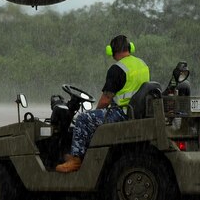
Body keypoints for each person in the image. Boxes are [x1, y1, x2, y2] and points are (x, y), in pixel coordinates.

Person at [56, 34, 150, 173]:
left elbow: (106, 99)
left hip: (121, 113)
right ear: (130, 48)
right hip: (136, 112)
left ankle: (76, 159)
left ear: (112, 51)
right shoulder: (142, 64)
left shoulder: (118, 69)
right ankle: (83, 153)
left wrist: (94, 112)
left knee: (83, 119)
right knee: (92, 118)